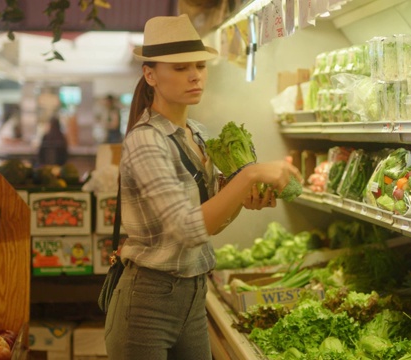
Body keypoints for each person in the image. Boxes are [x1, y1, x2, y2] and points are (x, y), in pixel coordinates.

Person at [104, 15, 302, 359]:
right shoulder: (146, 142)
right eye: (180, 68)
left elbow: (213, 222)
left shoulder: (199, 135)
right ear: (150, 75)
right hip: (148, 301)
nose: (195, 75)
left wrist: (242, 198)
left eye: (199, 65)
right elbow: (188, 229)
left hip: (195, 292)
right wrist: (249, 176)